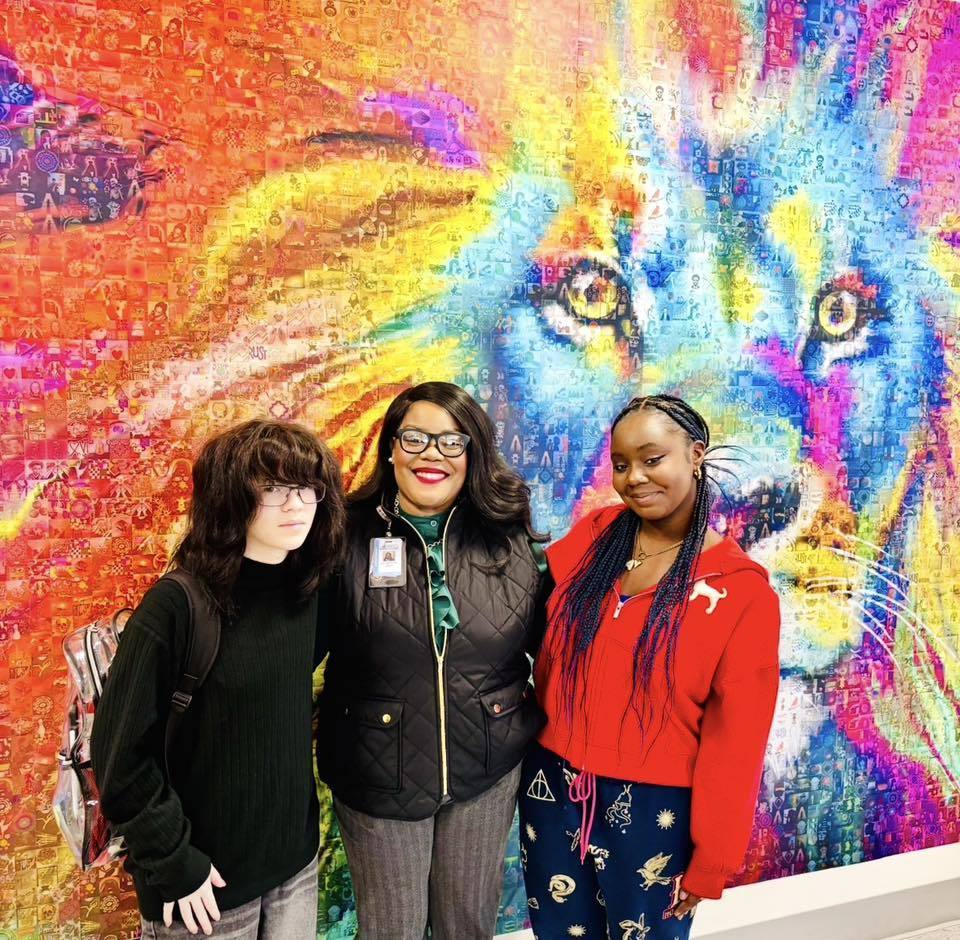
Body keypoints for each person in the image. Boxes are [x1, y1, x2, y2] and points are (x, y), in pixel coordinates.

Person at [519, 394, 781, 940]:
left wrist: (713, 859)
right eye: (620, 464)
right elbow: (520, 620)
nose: (634, 477)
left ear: (695, 455)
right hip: (551, 790)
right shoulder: (593, 538)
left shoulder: (740, 591)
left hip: (653, 813)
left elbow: (737, 741)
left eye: (652, 458)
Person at [91, 420, 345, 938]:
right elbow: (119, 758)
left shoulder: (308, 592)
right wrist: (174, 862)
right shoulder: (179, 606)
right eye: (272, 489)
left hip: (293, 865)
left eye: (306, 488)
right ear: (230, 496)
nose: (296, 505)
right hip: (202, 884)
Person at [316, 381, 552, 940]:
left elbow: (553, 643)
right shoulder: (341, 536)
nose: (431, 455)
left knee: (467, 925)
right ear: (391, 449)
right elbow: (295, 652)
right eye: (416, 438)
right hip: (378, 770)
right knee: (391, 929)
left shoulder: (509, 537)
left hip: (486, 766)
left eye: (452, 442)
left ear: (473, 454)